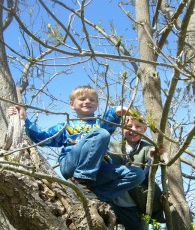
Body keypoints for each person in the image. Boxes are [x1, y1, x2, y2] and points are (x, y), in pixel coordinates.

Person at [7, 85, 145, 202]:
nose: (87, 102)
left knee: (137, 174)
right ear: (72, 104)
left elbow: (111, 116)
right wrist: (25, 119)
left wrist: (119, 110)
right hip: (71, 165)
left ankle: (93, 197)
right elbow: (43, 138)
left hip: (99, 171)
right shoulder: (67, 125)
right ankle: (81, 180)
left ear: (97, 105)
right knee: (101, 133)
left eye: (92, 100)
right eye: (82, 99)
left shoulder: (101, 123)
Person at [108, 115, 165, 230]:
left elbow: (149, 166)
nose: (133, 129)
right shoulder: (113, 146)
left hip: (133, 205)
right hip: (112, 201)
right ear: (121, 128)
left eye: (138, 126)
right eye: (128, 125)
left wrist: (155, 155)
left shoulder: (147, 148)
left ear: (144, 129)